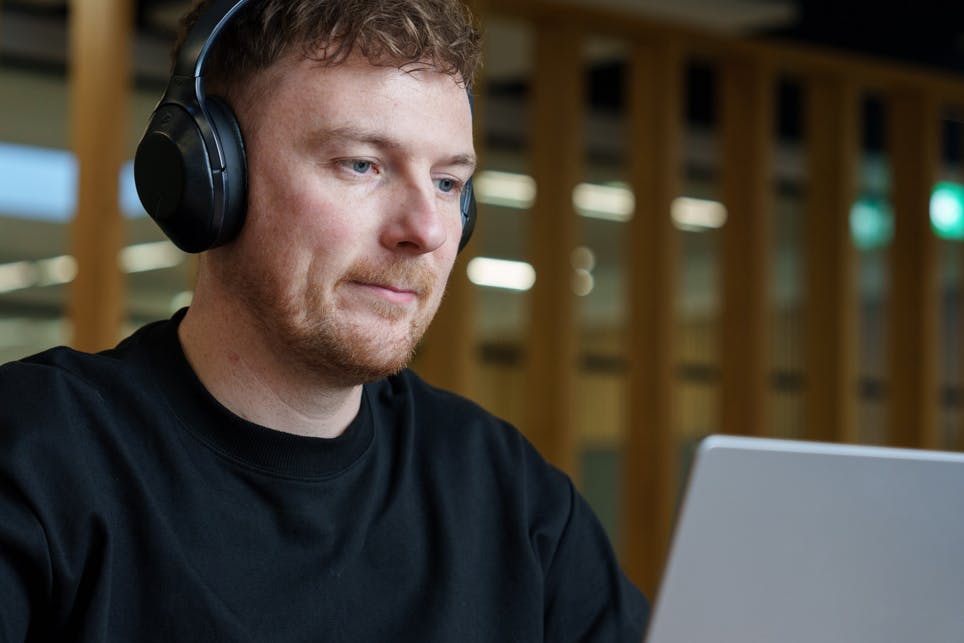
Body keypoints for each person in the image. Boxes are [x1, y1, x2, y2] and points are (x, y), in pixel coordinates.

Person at [0, 0, 649, 640]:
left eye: (448, 183)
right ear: (212, 180)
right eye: (362, 164)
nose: (425, 230)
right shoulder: (34, 456)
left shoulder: (512, 495)